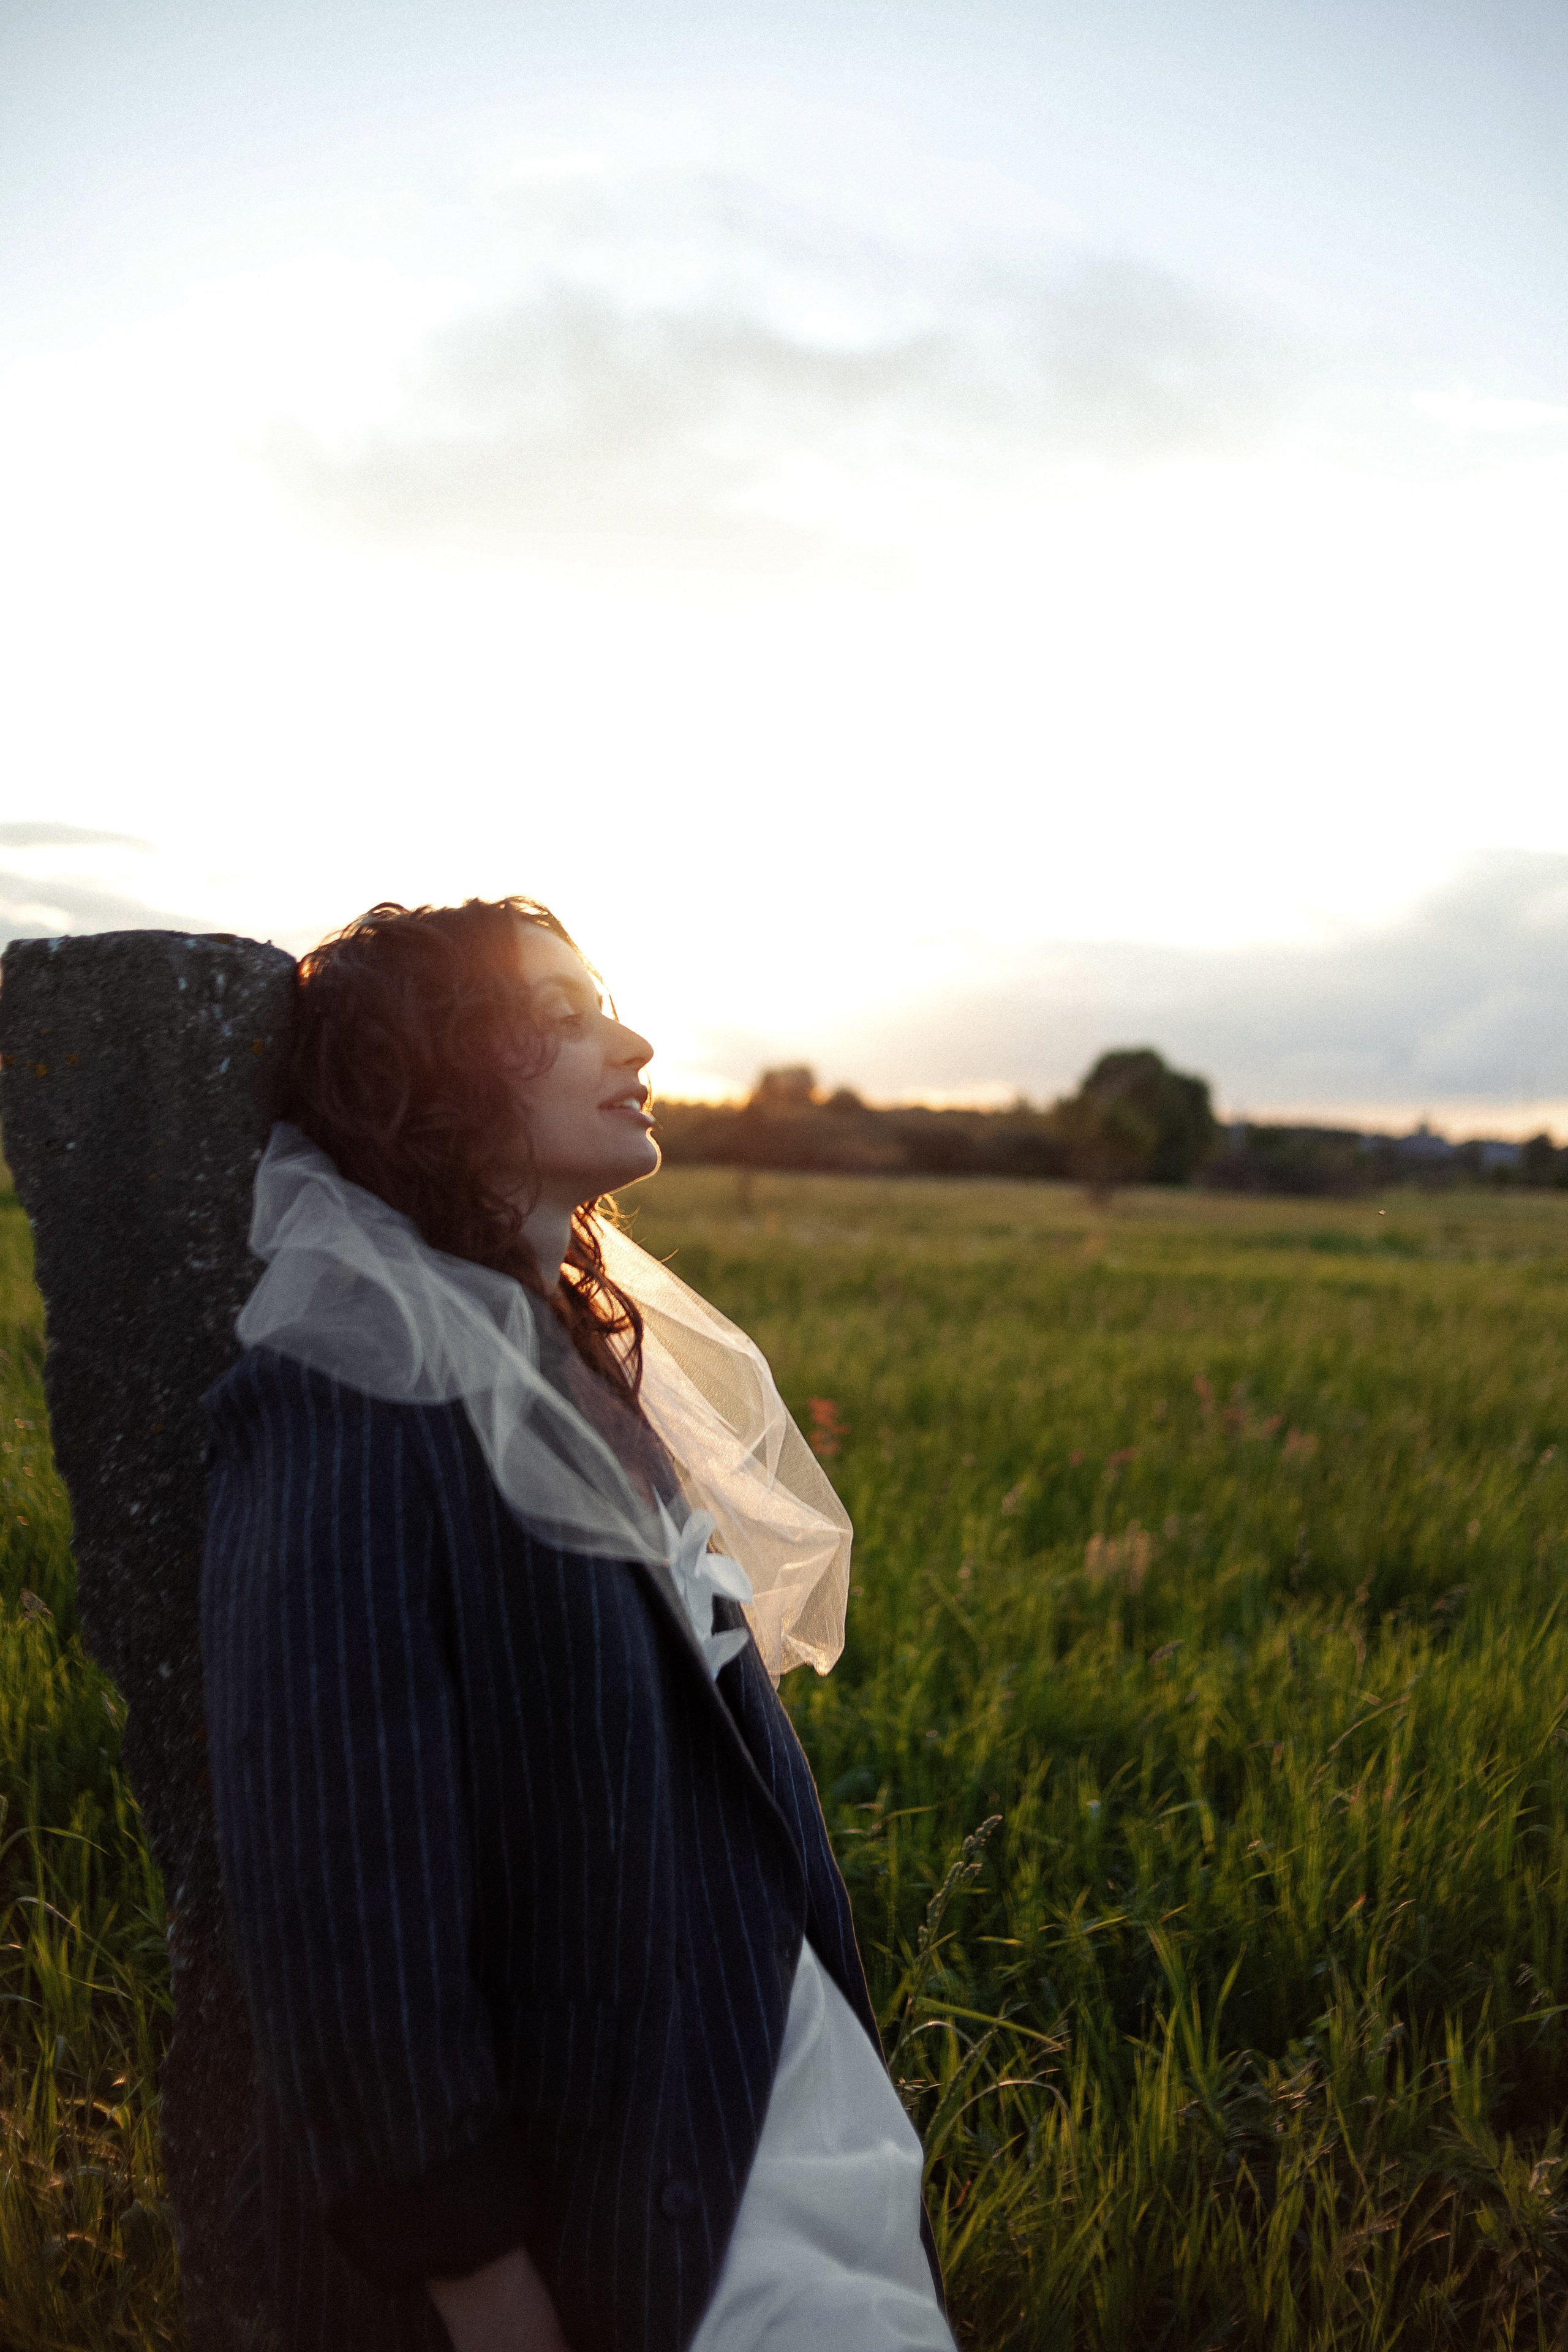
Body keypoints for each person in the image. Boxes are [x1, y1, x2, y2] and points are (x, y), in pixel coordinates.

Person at [199, 896, 955, 2352]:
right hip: (620, 2212)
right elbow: (344, 1908)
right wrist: (487, 2290)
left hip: (783, 2109)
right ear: (432, 1072)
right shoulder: (346, 1404)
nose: (635, 1041)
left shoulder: (575, 1350)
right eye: (558, 1016)